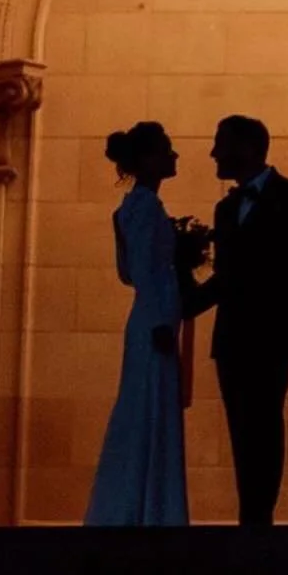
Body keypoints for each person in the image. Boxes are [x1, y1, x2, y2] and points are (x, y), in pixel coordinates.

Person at [187, 114, 288, 526]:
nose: (214, 153)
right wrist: (184, 298)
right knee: (241, 428)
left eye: (220, 143)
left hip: (274, 335)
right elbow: (227, 277)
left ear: (246, 148)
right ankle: (251, 513)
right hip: (232, 337)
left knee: (265, 424)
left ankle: (258, 517)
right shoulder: (225, 208)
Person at [83, 121, 188, 526]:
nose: (174, 156)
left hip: (152, 316)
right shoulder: (145, 207)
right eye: (167, 149)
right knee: (148, 409)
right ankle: (146, 510)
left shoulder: (133, 208)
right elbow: (140, 271)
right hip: (154, 320)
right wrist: (165, 311)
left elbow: (128, 272)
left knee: (143, 406)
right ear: (147, 160)